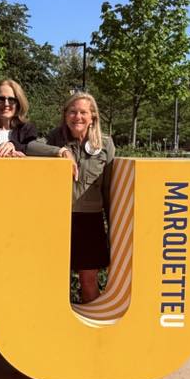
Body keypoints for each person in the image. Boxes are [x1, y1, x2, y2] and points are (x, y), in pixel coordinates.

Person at [30, 92, 115, 303]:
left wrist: (111, 224)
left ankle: (90, 330)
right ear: (65, 115)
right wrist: (60, 151)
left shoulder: (105, 144)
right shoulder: (55, 137)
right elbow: (30, 146)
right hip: (58, 219)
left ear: (92, 116)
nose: (78, 117)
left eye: (83, 112)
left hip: (90, 220)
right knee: (55, 280)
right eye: (72, 112)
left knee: (88, 281)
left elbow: (108, 188)